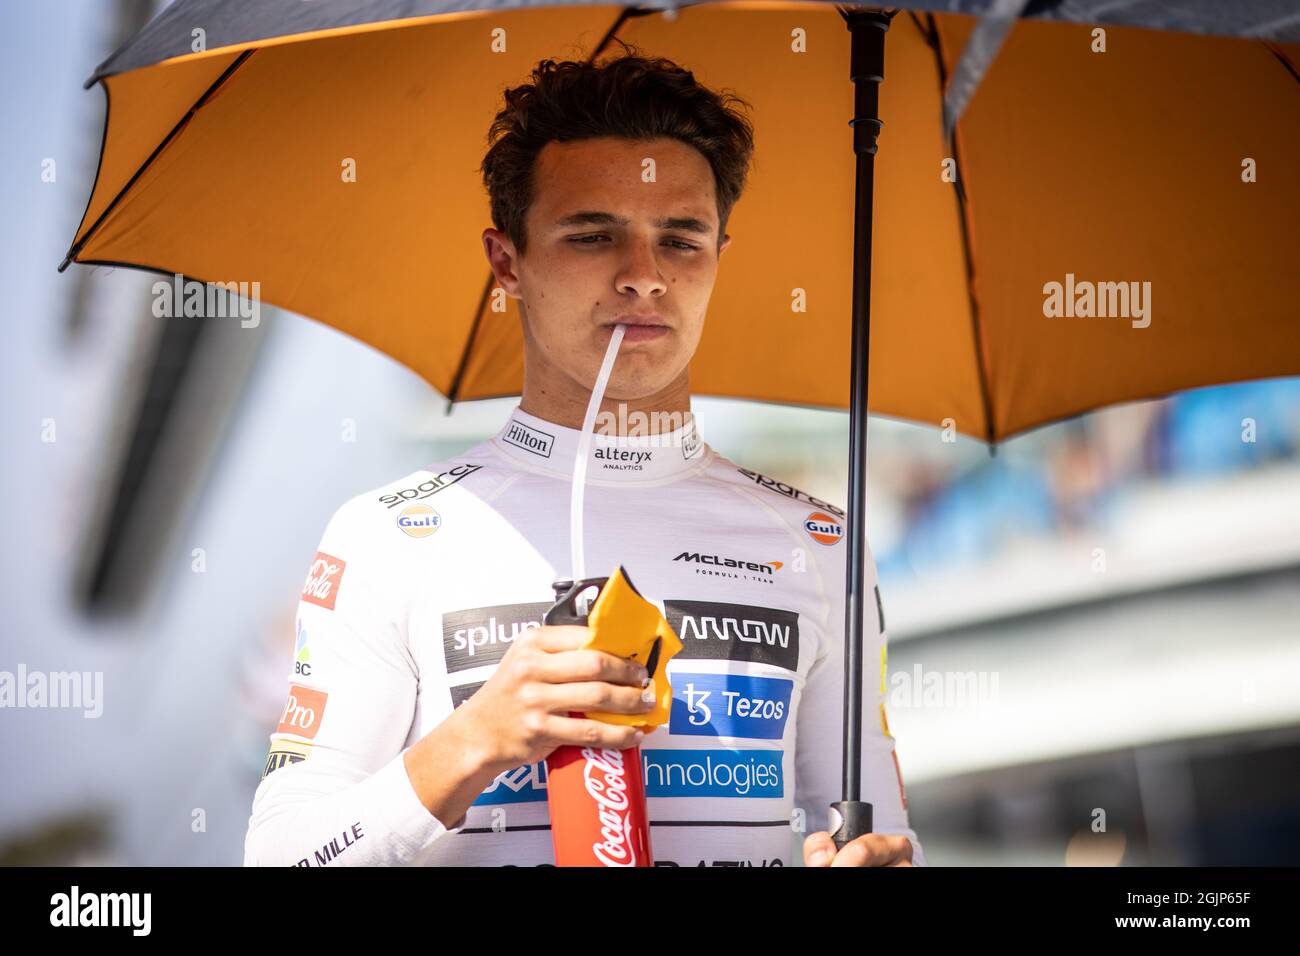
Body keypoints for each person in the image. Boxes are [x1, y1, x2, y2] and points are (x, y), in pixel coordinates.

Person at [243, 44, 923, 868]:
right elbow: (282, 858)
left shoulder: (821, 543)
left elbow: (888, 834)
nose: (643, 277)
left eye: (681, 240)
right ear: (507, 263)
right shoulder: (389, 536)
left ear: (718, 259)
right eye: (592, 236)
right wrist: (473, 741)